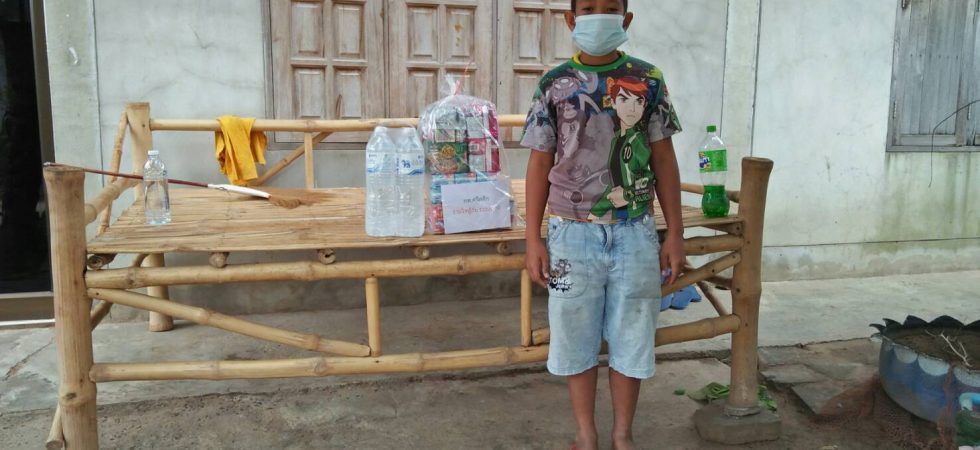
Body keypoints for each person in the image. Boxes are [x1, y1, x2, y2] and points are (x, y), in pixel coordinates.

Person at [520, 0, 685, 448]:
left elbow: (664, 159)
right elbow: (539, 163)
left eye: (610, 7)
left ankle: (622, 436)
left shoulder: (649, 79)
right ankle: (586, 435)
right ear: (571, 19)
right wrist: (533, 239)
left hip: (635, 233)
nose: (599, 15)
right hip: (570, 235)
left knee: (633, 336)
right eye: (589, 7)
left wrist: (675, 233)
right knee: (575, 337)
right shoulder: (554, 85)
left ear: (626, 19)